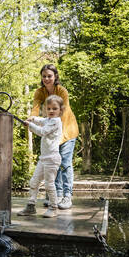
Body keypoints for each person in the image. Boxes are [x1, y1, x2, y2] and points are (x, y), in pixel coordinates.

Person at [30, 64, 79, 210]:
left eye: (49, 76)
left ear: (55, 76)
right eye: (44, 76)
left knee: (64, 163)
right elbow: (35, 108)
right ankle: (55, 196)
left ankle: (67, 196)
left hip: (67, 130)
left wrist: (57, 137)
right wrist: (31, 119)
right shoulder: (39, 92)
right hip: (52, 131)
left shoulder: (62, 91)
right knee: (53, 163)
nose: (46, 78)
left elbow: (63, 114)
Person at [18, 95, 64, 218]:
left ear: (60, 110)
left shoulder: (56, 121)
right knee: (34, 181)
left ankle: (53, 208)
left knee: (49, 184)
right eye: (48, 108)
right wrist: (33, 118)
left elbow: (42, 131)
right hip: (44, 158)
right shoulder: (48, 119)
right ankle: (31, 206)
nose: (51, 111)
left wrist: (30, 126)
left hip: (52, 158)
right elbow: (41, 120)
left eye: (54, 108)